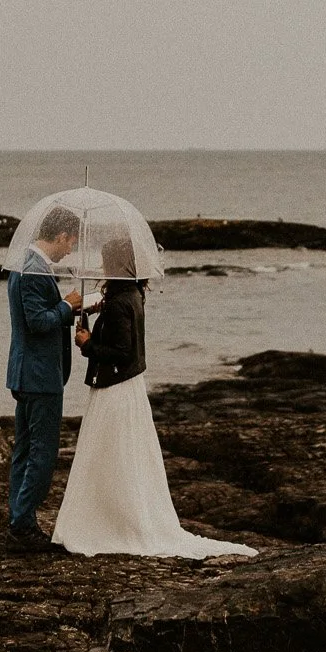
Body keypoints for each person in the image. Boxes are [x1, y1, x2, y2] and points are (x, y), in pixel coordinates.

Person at [51, 234, 255, 559]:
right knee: (123, 455)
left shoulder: (120, 303)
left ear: (117, 265)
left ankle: (109, 523)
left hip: (114, 390)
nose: (103, 267)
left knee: (108, 455)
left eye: (107, 261)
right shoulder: (132, 295)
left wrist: (88, 344)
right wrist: (98, 312)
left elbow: (120, 352)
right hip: (128, 388)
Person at [3, 205, 82, 551]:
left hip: (25, 373)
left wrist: (71, 307)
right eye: (72, 243)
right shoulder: (35, 270)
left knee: (24, 450)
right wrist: (67, 307)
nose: (71, 250)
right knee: (42, 453)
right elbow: (38, 322)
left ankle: (19, 517)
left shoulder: (23, 263)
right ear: (62, 235)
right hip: (39, 376)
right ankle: (22, 525)